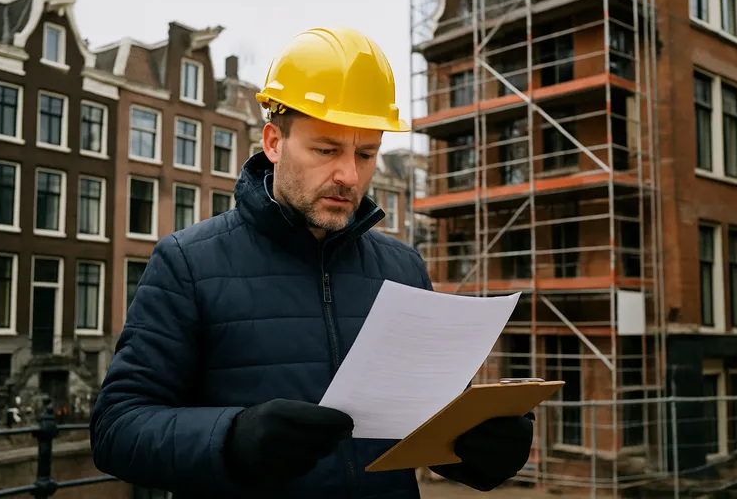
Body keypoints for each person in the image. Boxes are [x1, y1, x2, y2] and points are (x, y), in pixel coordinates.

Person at [89, 26, 534, 499]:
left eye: (366, 154)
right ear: (273, 142)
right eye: (326, 150)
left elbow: (431, 425)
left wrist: (482, 449)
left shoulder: (404, 268)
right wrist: (230, 438)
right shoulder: (187, 262)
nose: (349, 175)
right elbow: (116, 429)